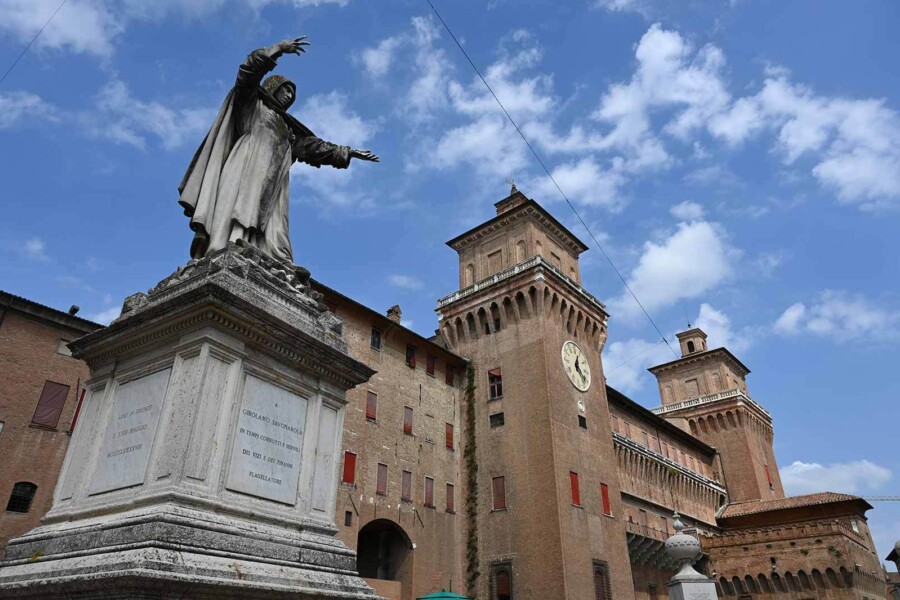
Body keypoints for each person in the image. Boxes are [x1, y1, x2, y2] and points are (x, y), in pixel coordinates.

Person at [178, 36, 379, 264]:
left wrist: (348, 151)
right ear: (272, 88)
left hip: (275, 181)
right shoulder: (252, 105)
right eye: (286, 90)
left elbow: (313, 147)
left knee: (275, 225)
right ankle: (229, 245)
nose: (290, 96)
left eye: (293, 94)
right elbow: (247, 74)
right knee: (241, 204)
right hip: (247, 165)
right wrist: (277, 50)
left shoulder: (289, 130)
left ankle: (271, 261)